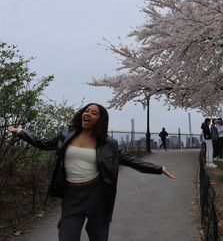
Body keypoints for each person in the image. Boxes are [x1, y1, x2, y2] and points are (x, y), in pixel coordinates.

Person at [8, 103, 176, 241]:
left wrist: (158, 169)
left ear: (100, 120)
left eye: (94, 113)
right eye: (86, 110)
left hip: (97, 196)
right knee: (67, 236)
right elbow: (42, 143)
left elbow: (130, 160)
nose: (87, 114)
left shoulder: (108, 144)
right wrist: (21, 132)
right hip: (71, 196)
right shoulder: (67, 134)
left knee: (98, 237)